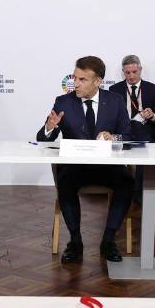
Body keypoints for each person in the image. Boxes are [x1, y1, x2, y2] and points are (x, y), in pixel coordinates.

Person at [37, 55, 132, 263]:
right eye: (75, 78)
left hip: (107, 166)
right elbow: (43, 140)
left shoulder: (115, 101)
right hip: (76, 167)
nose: (76, 84)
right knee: (64, 181)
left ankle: (108, 240)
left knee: (127, 182)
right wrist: (50, 127)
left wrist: (113, 137)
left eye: (82, 79)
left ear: (98, 81)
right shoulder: (63, 102)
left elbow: (127, 135)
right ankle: (75, 241)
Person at [108, 54, 155, 191]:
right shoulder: (114, 90)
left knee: (139, 127)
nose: (131, 76)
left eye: (134, 72)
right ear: (123, 72)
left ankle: (139, 193)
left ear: (140, 70)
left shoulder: (152, 89)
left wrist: (152, 115)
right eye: (127, 73)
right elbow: (109, 118)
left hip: (145, 132)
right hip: (123, 133)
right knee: (135, 127)